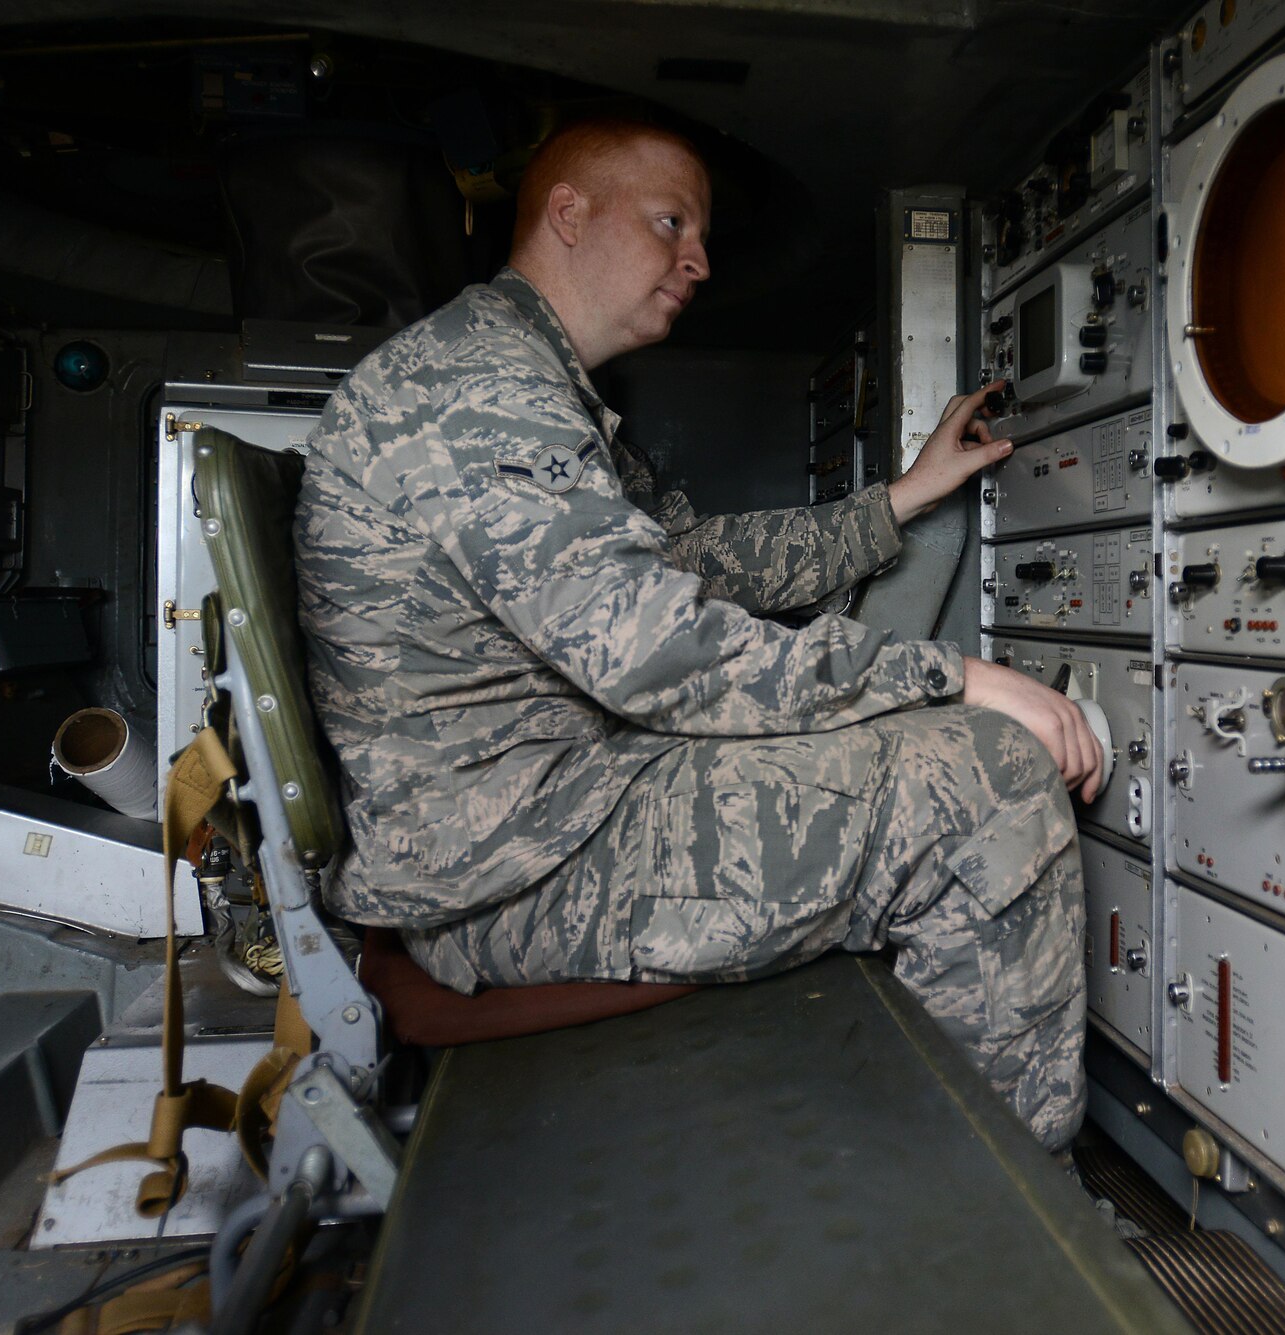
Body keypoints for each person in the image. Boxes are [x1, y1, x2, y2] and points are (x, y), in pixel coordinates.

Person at [292, 117, 1101, 1149]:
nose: (700, 260)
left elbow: (692, 562)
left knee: (926, 746)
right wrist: (954, 679)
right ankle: (1019, 1229)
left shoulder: (514, 371)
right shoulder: (480, 387)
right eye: (671, 222)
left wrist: (897, 502)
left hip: (554, 814)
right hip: (517, 873)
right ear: (569, 215)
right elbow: (653, 648)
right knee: (982, 781)